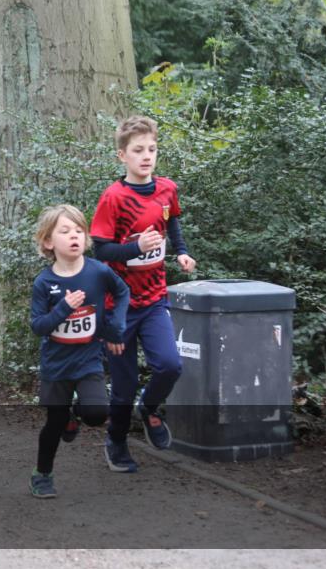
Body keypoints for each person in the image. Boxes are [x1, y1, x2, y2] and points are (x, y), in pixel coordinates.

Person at [90, 115, 197, 473]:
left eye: (151, 149)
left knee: (170, 364)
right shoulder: (113, 197)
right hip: (117, 306)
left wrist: (180, 251)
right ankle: (116, 442)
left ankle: (149, 408)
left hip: (153, 299)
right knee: (124, 383)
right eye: (138, 150)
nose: (146, 156)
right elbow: (101, 251)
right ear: (122, 155)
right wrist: (135, 247)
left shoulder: (167, 188)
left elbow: (173, 222)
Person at [28, 205, 129, 498]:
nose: (74, 236)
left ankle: (78, 413)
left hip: (88, 359)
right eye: (65, 231)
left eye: (79, 231)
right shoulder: (45, 283)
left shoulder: (98, 272)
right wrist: (63, 308)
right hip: (56, 365)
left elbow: (122, 293)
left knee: (97, 413)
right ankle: (42, 474)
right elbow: (38, 326)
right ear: (49, 242)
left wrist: (115, 325)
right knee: (55, 424)